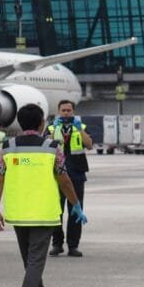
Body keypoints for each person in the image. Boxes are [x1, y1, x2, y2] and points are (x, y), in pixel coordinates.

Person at [0, 103, 88, 287]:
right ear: (41, 123)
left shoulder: (8, 146)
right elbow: (64, 179)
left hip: (18, 213)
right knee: (35, 262)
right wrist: (75, 205)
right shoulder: (52, 146)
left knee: (30, 261)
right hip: (43, 213)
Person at [47, 100, 92, 257]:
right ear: (58, 112)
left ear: (73, 111)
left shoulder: (81, 126)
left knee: (75, 210)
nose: (66, 113)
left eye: (69, 110)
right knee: (56, 211)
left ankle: (73, 245)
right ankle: (57, 244)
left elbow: (89, 145)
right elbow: (46, 145)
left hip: (77, 174)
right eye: (63, 110)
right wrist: (55, 129)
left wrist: (80, 130)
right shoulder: (52, 127)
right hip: (56, 175)